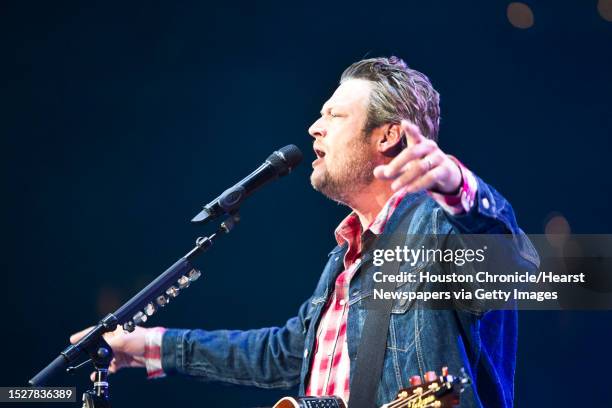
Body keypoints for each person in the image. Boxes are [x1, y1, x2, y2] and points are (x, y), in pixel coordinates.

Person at [71, 56, 537, 407]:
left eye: (333, 116)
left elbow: (517, 265)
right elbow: (288, 354)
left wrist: (459, 187)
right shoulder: (346, 255)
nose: (314, 128)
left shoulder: (437, 227)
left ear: (387, 135)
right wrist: (145, 347)